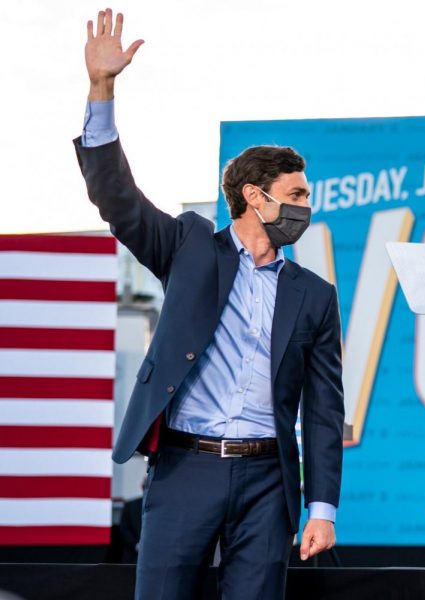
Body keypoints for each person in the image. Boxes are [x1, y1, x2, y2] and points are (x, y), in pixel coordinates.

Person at [74, 10, 344, 599]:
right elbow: (118, 199)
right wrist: (102, 90)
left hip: (268, 481)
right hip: (184, 467)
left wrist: (322, 508)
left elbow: (324, 410)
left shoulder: (315, 297)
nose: (307, 205)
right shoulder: (191, 246)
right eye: (296, 194)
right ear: (254, 195)